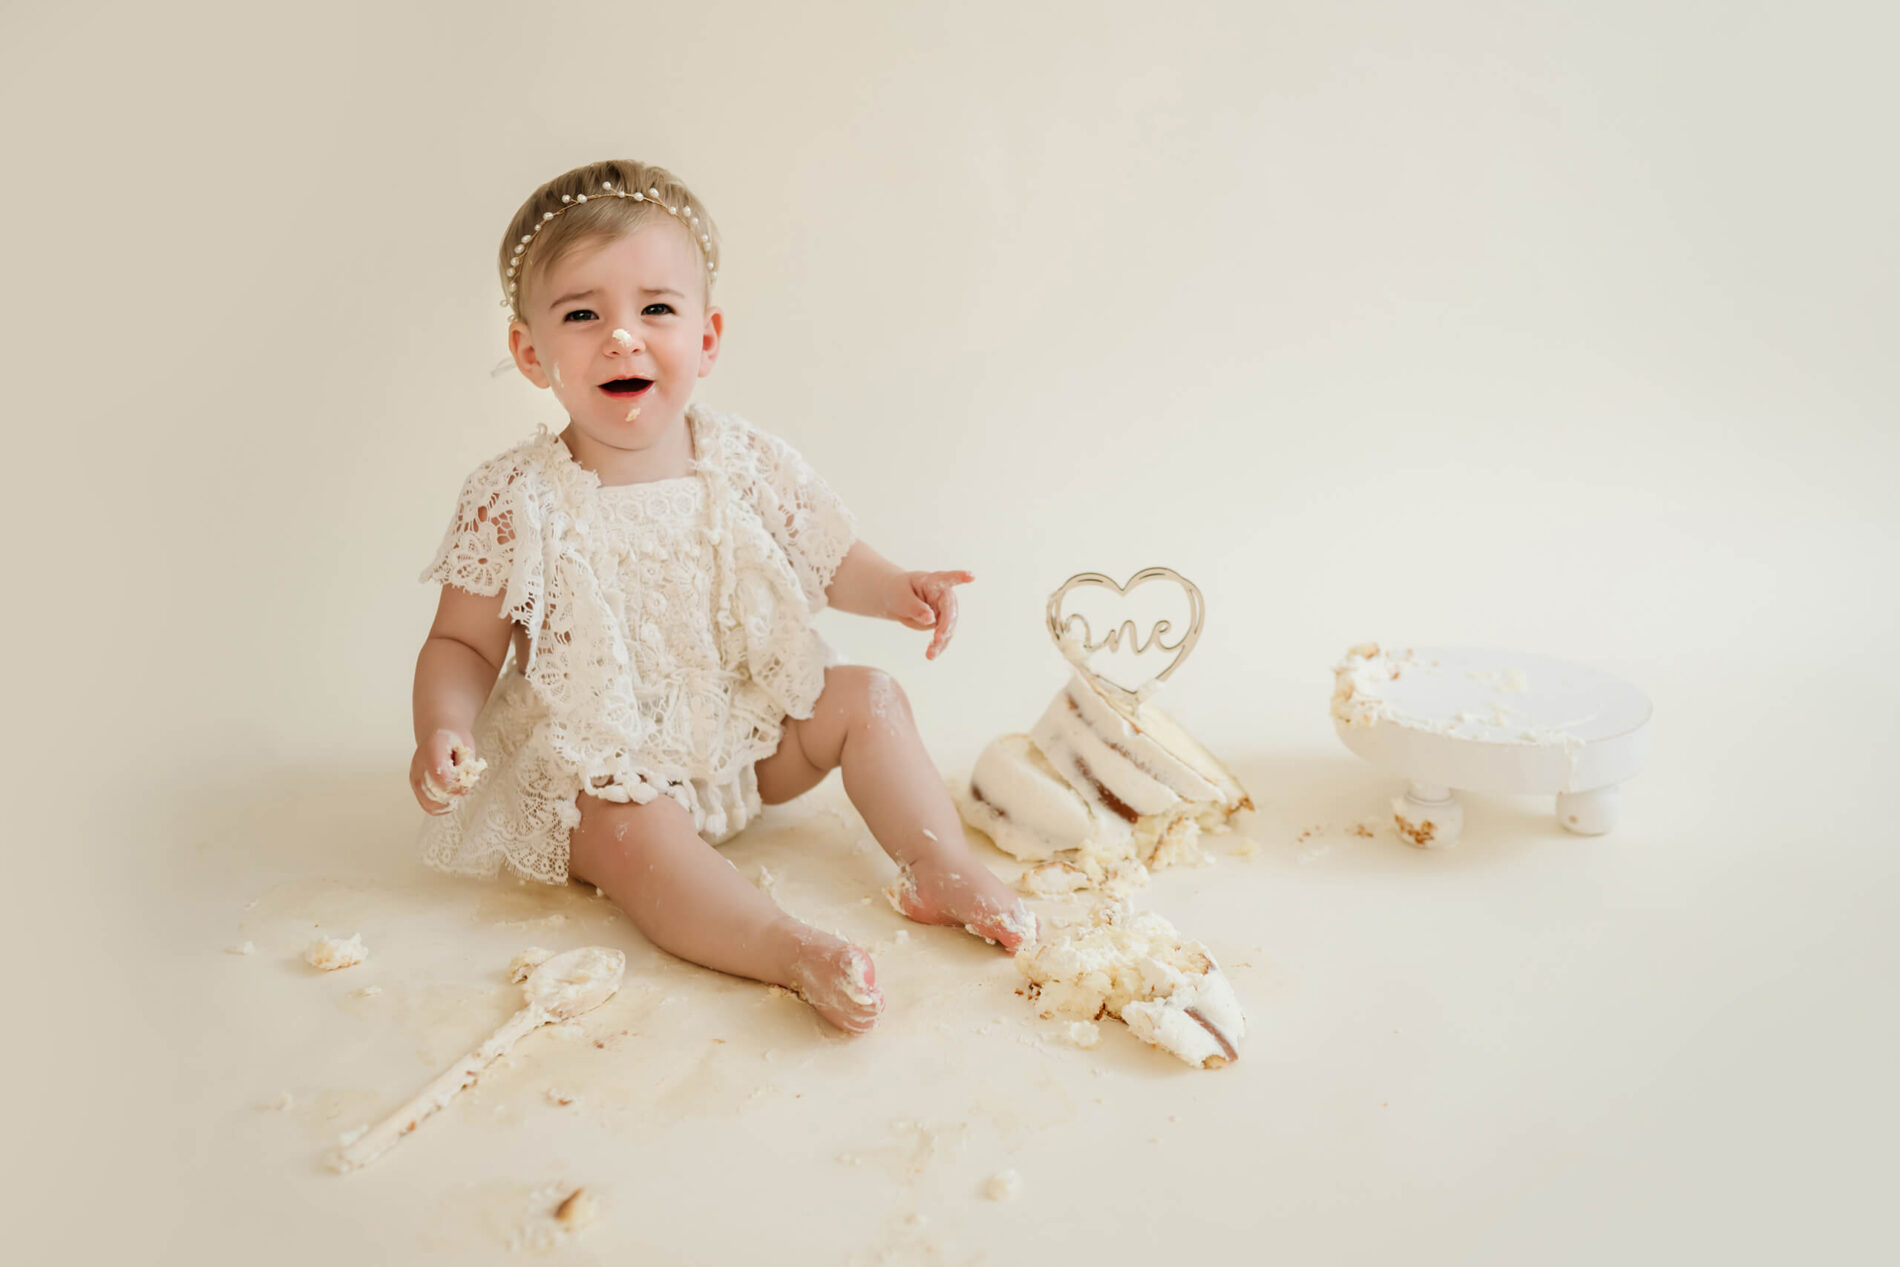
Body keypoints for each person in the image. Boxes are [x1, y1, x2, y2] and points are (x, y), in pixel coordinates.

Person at [408, 158, 1033, 1033]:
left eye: (656, 309)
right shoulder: (518, 498)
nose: (623, 337)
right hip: (603, 765)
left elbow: (824, 554)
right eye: (583, 315)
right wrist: (442, 727)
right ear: (530, 352)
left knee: (870, 697)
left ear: (706, 338)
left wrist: (896, 588)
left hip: (743, 734)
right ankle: (786, 947)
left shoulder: (742, 459)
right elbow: (462, 646)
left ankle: (941, 865)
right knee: (636, 841)